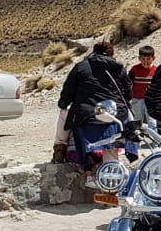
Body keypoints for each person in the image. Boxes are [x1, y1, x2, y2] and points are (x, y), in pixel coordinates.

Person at [57, 40, 133, 187]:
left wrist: (63, 103)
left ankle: (88, 174)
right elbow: (128, 94)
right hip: (114, 116)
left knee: (79, 134)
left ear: (94, 51)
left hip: (87, 116)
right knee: (111, 145)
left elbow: (68, 90)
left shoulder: (81, 67)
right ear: (111, 53)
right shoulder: (119, 68)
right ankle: (112, 185)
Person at [128, 45, 157, 128]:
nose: (145, 62)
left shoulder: (156, 71)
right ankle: (137, 138)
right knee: (137, 120)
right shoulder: (134, 69)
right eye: (143, 59)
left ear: (153, 58)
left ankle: (155, 139)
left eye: (148, 59)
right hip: (136, 99)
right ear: (139, 58)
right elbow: (128, 83)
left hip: (150, 100)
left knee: (152, 121)